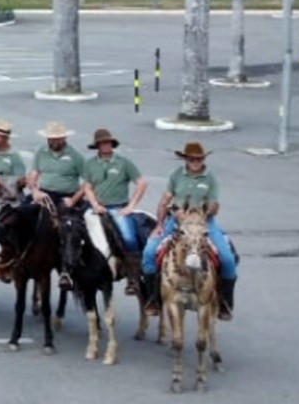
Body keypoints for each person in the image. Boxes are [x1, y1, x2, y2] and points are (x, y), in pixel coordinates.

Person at [142, 141, 237, 321]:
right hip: (176, 221)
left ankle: (224, 302)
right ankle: (153, 299)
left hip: (204, 222)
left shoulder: (210, 178)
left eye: (199, 158)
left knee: (227, 259)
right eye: (192, 158)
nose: (195, 161)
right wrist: (160, 224)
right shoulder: (176, 175)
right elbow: (165, 200)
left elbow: (215, 204)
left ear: (203, 159)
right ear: (185, 159)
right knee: (148, 253)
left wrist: (204, 212)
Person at [79, 127, 149, 259]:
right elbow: (87, 186)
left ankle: (133, 269)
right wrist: (94, 204)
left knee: (129, 238)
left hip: (118, 207)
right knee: (74, 233)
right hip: (95, 207)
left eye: (108, 142)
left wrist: (131, 206)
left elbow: (142, 183)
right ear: (97, 146)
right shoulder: (89, 164)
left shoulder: (123, 163)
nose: (106, 145)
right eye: (103, 143)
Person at [28, 122, 87, 209]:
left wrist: (73, 200)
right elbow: (34, 173)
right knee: (21, 211)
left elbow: (89, 181)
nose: (54, 141)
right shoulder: (41, 151)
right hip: (44, 193)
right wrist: (35, 191)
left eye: (57, 139)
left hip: (66, 195)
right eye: (51, 139)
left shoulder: (75, 155)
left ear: (64, 138)